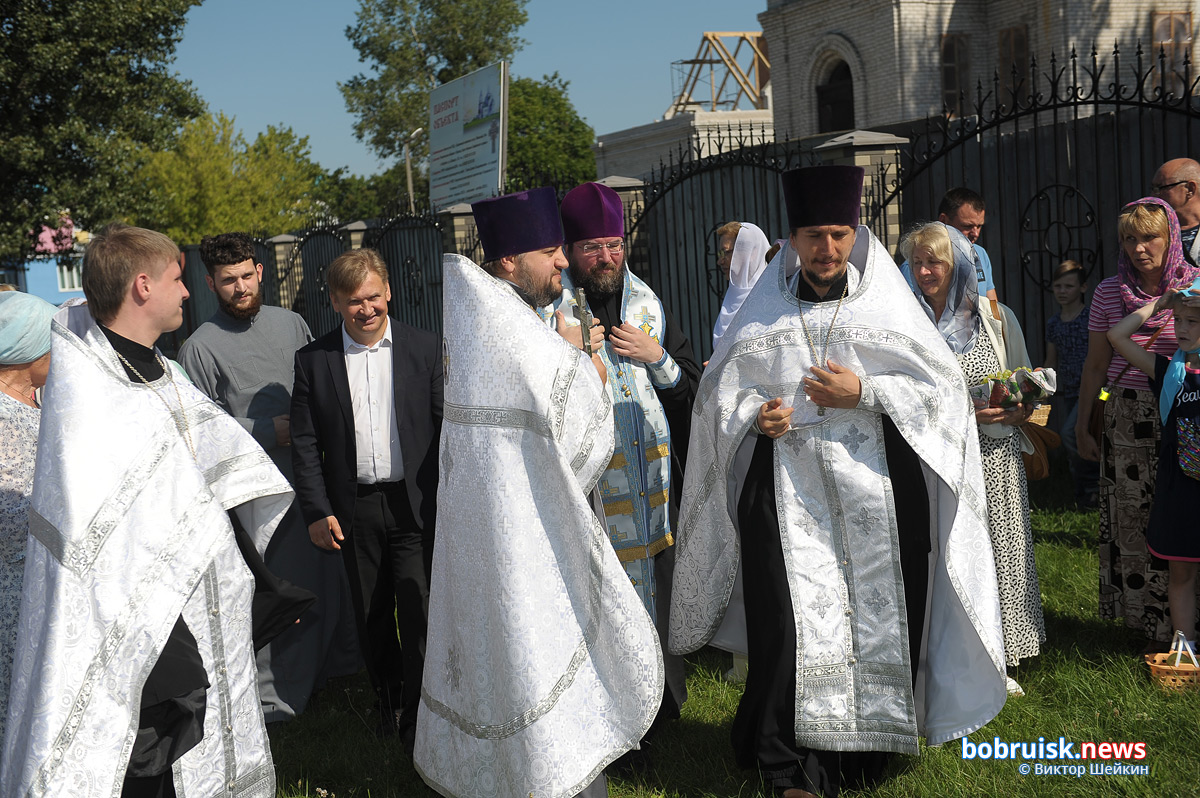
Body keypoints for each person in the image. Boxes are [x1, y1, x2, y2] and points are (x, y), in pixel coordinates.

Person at [670, 166, 1005, 798]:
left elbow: (942, 394)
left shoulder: (886, 305)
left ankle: (863, 752)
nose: (827, 249)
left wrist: (865, 391)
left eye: (839, 234)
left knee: (877, 618)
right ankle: (786, 762)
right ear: (791, 239)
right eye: (813, 236)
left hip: (879, 495)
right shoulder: (763, 311)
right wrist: (756, 417)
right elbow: (718, 400)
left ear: (856, 233)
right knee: (788, 624)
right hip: (784, 497)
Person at [1, 224, 295, 798]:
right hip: (129, 614)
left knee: (186, 726)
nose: (188, 292)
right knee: (149, 739)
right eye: (177, 279)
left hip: (191, 598)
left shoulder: (157, 368)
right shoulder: (92, 392)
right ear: (142, 286)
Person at [415, 187, 662, 798]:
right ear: (508, 262)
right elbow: (580, 435)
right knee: (540, 657)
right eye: (550, 252)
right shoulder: (517, 333)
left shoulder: (485, 320)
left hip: (505, 533)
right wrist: (593, 374)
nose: (562, 263)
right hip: (528, 540)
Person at [178, 232, 358, 722]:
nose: (240, 287)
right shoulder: (198, 349)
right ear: (212, 284)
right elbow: (198, 430)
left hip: (313, 477)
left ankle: (341, 674)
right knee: (281, 587)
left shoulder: (292, 323)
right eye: (227, 280)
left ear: (260, 271)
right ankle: (276, 698)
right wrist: (263, 428)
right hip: (257, 494)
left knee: (333, 576)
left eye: (245, 275)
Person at [550, 181, 701, 765]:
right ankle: (613, 722)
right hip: (593, 504)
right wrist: (568, 357)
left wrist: (655, 358)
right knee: (605, 610)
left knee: (658, 607)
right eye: (591, 247)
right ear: (571, 250)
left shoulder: (649, 304)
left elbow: (689, 388)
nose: (606, 258)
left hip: (656, 495)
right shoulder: (552, 315)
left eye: (613, 245)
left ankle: (663, 713)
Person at [290, 247, 442, 747]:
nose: (367, 309)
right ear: (335, 302)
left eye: (374, 297)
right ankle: (390, 699)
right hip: (352, 507)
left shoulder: (425, 349)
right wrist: (317, 510)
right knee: (371, 611)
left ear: (389, 292)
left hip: (414, 504)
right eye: (354, 300)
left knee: (418, 605)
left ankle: (423, 710)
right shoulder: (314, 361)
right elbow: (307, 442)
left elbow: (446, 429)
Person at [903, 221, 1046, 694]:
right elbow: (903, 396)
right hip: (940, 459)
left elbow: (1020, 379)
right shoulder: (906, 322)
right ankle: (953, 654)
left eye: (934, 261)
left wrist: (1022, 404)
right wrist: (966, 410)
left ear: (958, 264)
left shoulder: (992, 316)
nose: (924, 271)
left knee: (999, 553)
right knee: (950, 554)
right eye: (917, 261)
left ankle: (1001, 656)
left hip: (995, 457)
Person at [1075, 197, 1199, 649]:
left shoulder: (1195, 287)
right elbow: (1095, 364)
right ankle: (1147, 624)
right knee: (1134, 516)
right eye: (1130, 239)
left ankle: (1188, 625)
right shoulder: (1110, 291)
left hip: (1188, 412)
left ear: (1171, 237)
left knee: (1186, 519)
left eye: (1150, 237)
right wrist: (1083, 424)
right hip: (1127, 414)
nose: (1140, 248)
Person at [1107, 276, 1200, 651]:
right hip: (1179, 493)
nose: (1183, 328)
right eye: (1179, 321)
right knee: (1181, 574)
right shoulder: (1168, 372)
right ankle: (1187, 648)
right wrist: (1160, 305)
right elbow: (1117, 336)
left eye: (1193, 321)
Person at [0, 291, 56, 743]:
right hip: (17, 590)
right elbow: (11, 512)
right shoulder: (3, 417)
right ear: (26, 351)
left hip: (44, 574)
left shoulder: (35, 402)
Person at [1044, 260, 1100, 507]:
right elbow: (1051, 360)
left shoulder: (1092, 318)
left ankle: (1091, 487)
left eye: (1069, 285)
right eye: (1058, 286)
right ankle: (1084, 494)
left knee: (1071, 433)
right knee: (1077, 439)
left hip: (1096, 392)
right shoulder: (1054, 323)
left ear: (1084, 287)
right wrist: (1041, 388)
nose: (1062, 291)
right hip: (1068, 391)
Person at [899, 187, 998, 301]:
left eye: (979, 226)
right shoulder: (916, 266)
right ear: (944, 221)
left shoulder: (979, 254)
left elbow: (993, 306)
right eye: (967, 226)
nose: (975, 233)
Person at [712, 220, 772, 350]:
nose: (720, 261)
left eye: (727, 252)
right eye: (720, 253)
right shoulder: (732, 295)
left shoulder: (772, 296)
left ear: (752, 253)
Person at [1151, 158, 1200, 266]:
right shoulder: (1151, 235)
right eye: (1154, 189)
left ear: (1190, 189)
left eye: (1161, 188)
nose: (1154, 196)